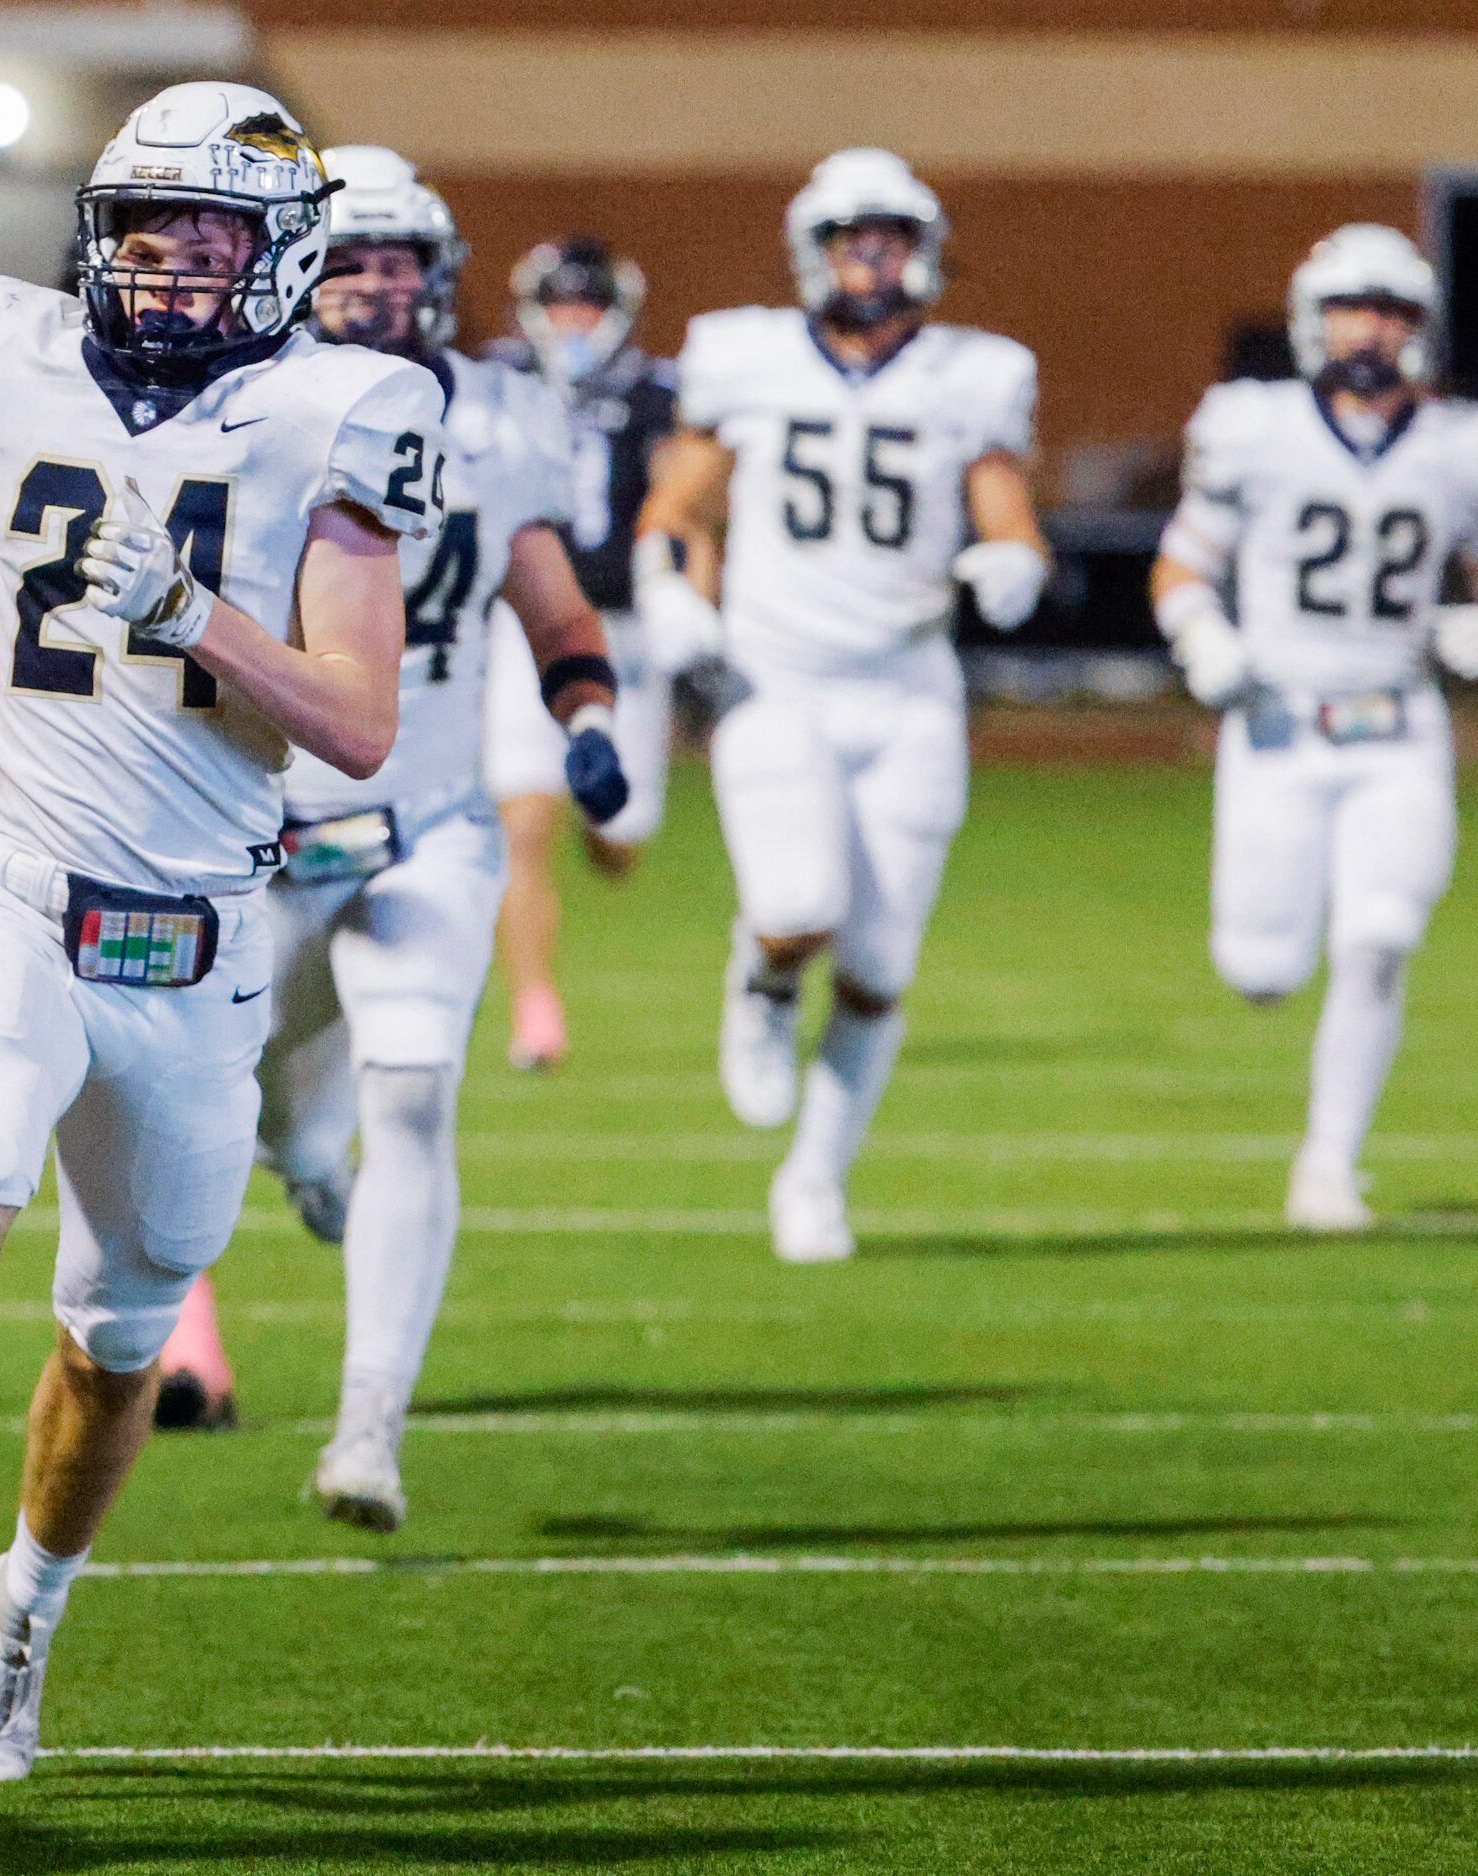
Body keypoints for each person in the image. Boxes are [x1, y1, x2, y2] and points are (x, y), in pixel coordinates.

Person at [0, 83, 431, 1780]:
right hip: (8, 882)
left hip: (196, 940)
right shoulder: (11, 351)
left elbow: (357, 720)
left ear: (283, 256)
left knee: (118, 1341)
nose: (171, 275)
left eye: (210, 244)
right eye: (145, 239)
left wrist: (189, 612)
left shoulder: (341, 412)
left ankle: (19, 1613)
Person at [147, 148, 627, 1524]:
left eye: (398, 260)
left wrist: (585, 708)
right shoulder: (239, 409)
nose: (374, 285)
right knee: (262, 1120)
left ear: (440, 275)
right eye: (349, 258)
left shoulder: (499, 419)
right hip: (252, 828)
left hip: (426, 825)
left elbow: (552, 604)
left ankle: (370, 1430)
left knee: (410, 1091)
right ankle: (301, 1164)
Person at [643, 148, 1050, 1263]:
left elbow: (1005, 509)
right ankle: (761, 975)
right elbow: (679, 506)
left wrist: (1012, 559)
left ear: (922, 255)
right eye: (848, 240)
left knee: (877, 969)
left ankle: (815, 1181)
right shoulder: (746, 358)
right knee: (797, 905)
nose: (868, 261)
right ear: (810, 253)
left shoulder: (971, 373)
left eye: (888, 240)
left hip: (909, 688)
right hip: (777, 680)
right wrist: (674, 594)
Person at [1151, 225, 1478, 1231]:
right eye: (1347, 307)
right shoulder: (1254, 428)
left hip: (1398, 729)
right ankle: (1277, 1004)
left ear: (1417, 324)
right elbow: (1179, 566)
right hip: (1277, 726)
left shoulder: (1461, 444)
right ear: (1309, 320)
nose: (1365, 328)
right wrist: (1202, 639)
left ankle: (1326, 1165)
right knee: (1262, 969)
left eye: (1385, 308)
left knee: (1377, 938)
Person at [480, 236, 683, 1069]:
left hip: (625, 629)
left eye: (588, 306)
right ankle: (535, 1007)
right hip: (520, 625)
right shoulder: (492, 381)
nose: (573, 321)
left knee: (618, 842)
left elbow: (678, 493)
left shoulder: (654, 392)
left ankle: (605, 828)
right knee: (521, 823)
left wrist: (683, 587)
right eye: (562, 303)